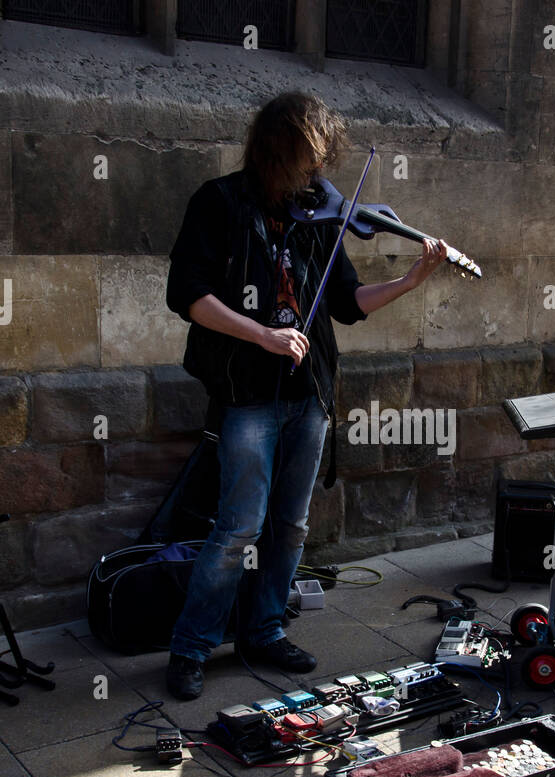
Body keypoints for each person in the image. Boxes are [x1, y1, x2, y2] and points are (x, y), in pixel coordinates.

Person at [163, 91, 447, 701]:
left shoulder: (318, 214)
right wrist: (261, 334)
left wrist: (409, 280)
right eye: (306, 160)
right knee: (238, 526)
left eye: (321, 162)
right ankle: (190, 646)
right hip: (247, 396)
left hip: (308, 392)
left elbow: (346, 303)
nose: (316, 175)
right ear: (275, 152)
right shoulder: (219, 203)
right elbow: (188, 294)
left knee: (290, 526)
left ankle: (264, 631)